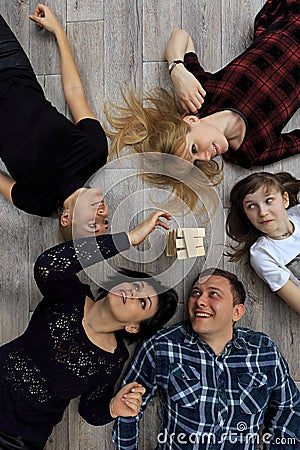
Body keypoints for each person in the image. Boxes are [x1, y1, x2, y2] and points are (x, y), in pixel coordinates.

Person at [0, 211, 178, 450]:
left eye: (142, 302)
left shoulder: (113, 359)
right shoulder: (70, 294)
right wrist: (129, 238)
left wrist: (113, 408)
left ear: (134, 326)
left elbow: (91, 410)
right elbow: (46, 266)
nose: (134, 293)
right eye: (136, 286)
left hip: (20, 440)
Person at [105, 0, 299, 212]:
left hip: (290, 22)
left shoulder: (203, 96)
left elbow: (180, 36)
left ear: (190, 120)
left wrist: (177, 70)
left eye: (194, 148)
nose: (207, 157)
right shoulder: (252, 152)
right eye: (196, 163)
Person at [112, 268, 300, 450]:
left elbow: (288, 408)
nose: (200, 300)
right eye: (195, 293)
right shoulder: (162, 346)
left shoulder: (263, 351)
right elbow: (127, 408)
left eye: (213, 294)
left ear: (237, 312)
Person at [0, 4, 110, 240]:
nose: (101, 214)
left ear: (66, 218)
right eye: (106, 222)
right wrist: (58, 31)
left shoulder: (37, 201)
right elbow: (73, 92)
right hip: (9, 65)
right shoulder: (95, 151)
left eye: (93, 225)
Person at [226, 172, 300, 313]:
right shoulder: (263, 254)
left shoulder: (298, 213)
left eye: (269, 200)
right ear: (246, 214)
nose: (262, 212)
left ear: (285, 200)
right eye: (251, 206)